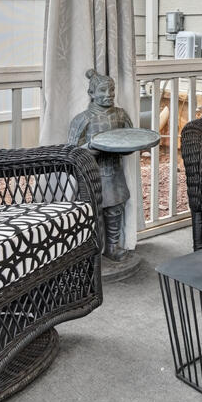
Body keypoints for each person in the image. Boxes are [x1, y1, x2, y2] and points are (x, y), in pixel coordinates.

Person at [68, 69, 133, 262]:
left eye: (111, 91)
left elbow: (131, 137)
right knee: (93, 212)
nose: (108, 95)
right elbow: (72, 151)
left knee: (115, 210)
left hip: (114, 171)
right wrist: (92, 147)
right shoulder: (83, 119)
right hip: (93, 174)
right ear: (91, 93)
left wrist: (124, 147)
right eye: (103, 91)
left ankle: (112, 247)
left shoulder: (121, 115)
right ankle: (91, 249)